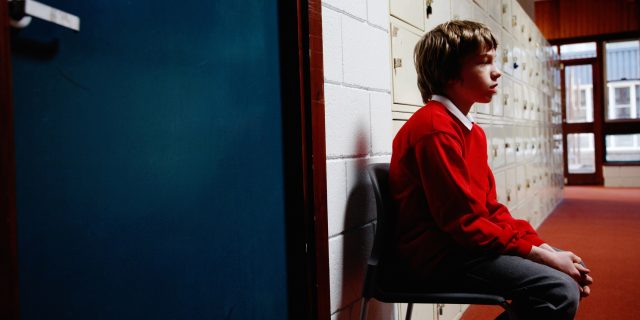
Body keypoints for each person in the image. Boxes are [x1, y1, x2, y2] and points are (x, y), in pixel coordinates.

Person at [388, 20, 593, 319]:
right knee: (557, 290)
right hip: (438, 259)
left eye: (494, 60)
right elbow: (465, 223)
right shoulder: (434, 128)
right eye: (484, 62)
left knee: (565, 276)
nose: (497, 71)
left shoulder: (471, 131)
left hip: (462, 248)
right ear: (449, 73)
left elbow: (490, 209)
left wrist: (545, 249)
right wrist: (542, 257)